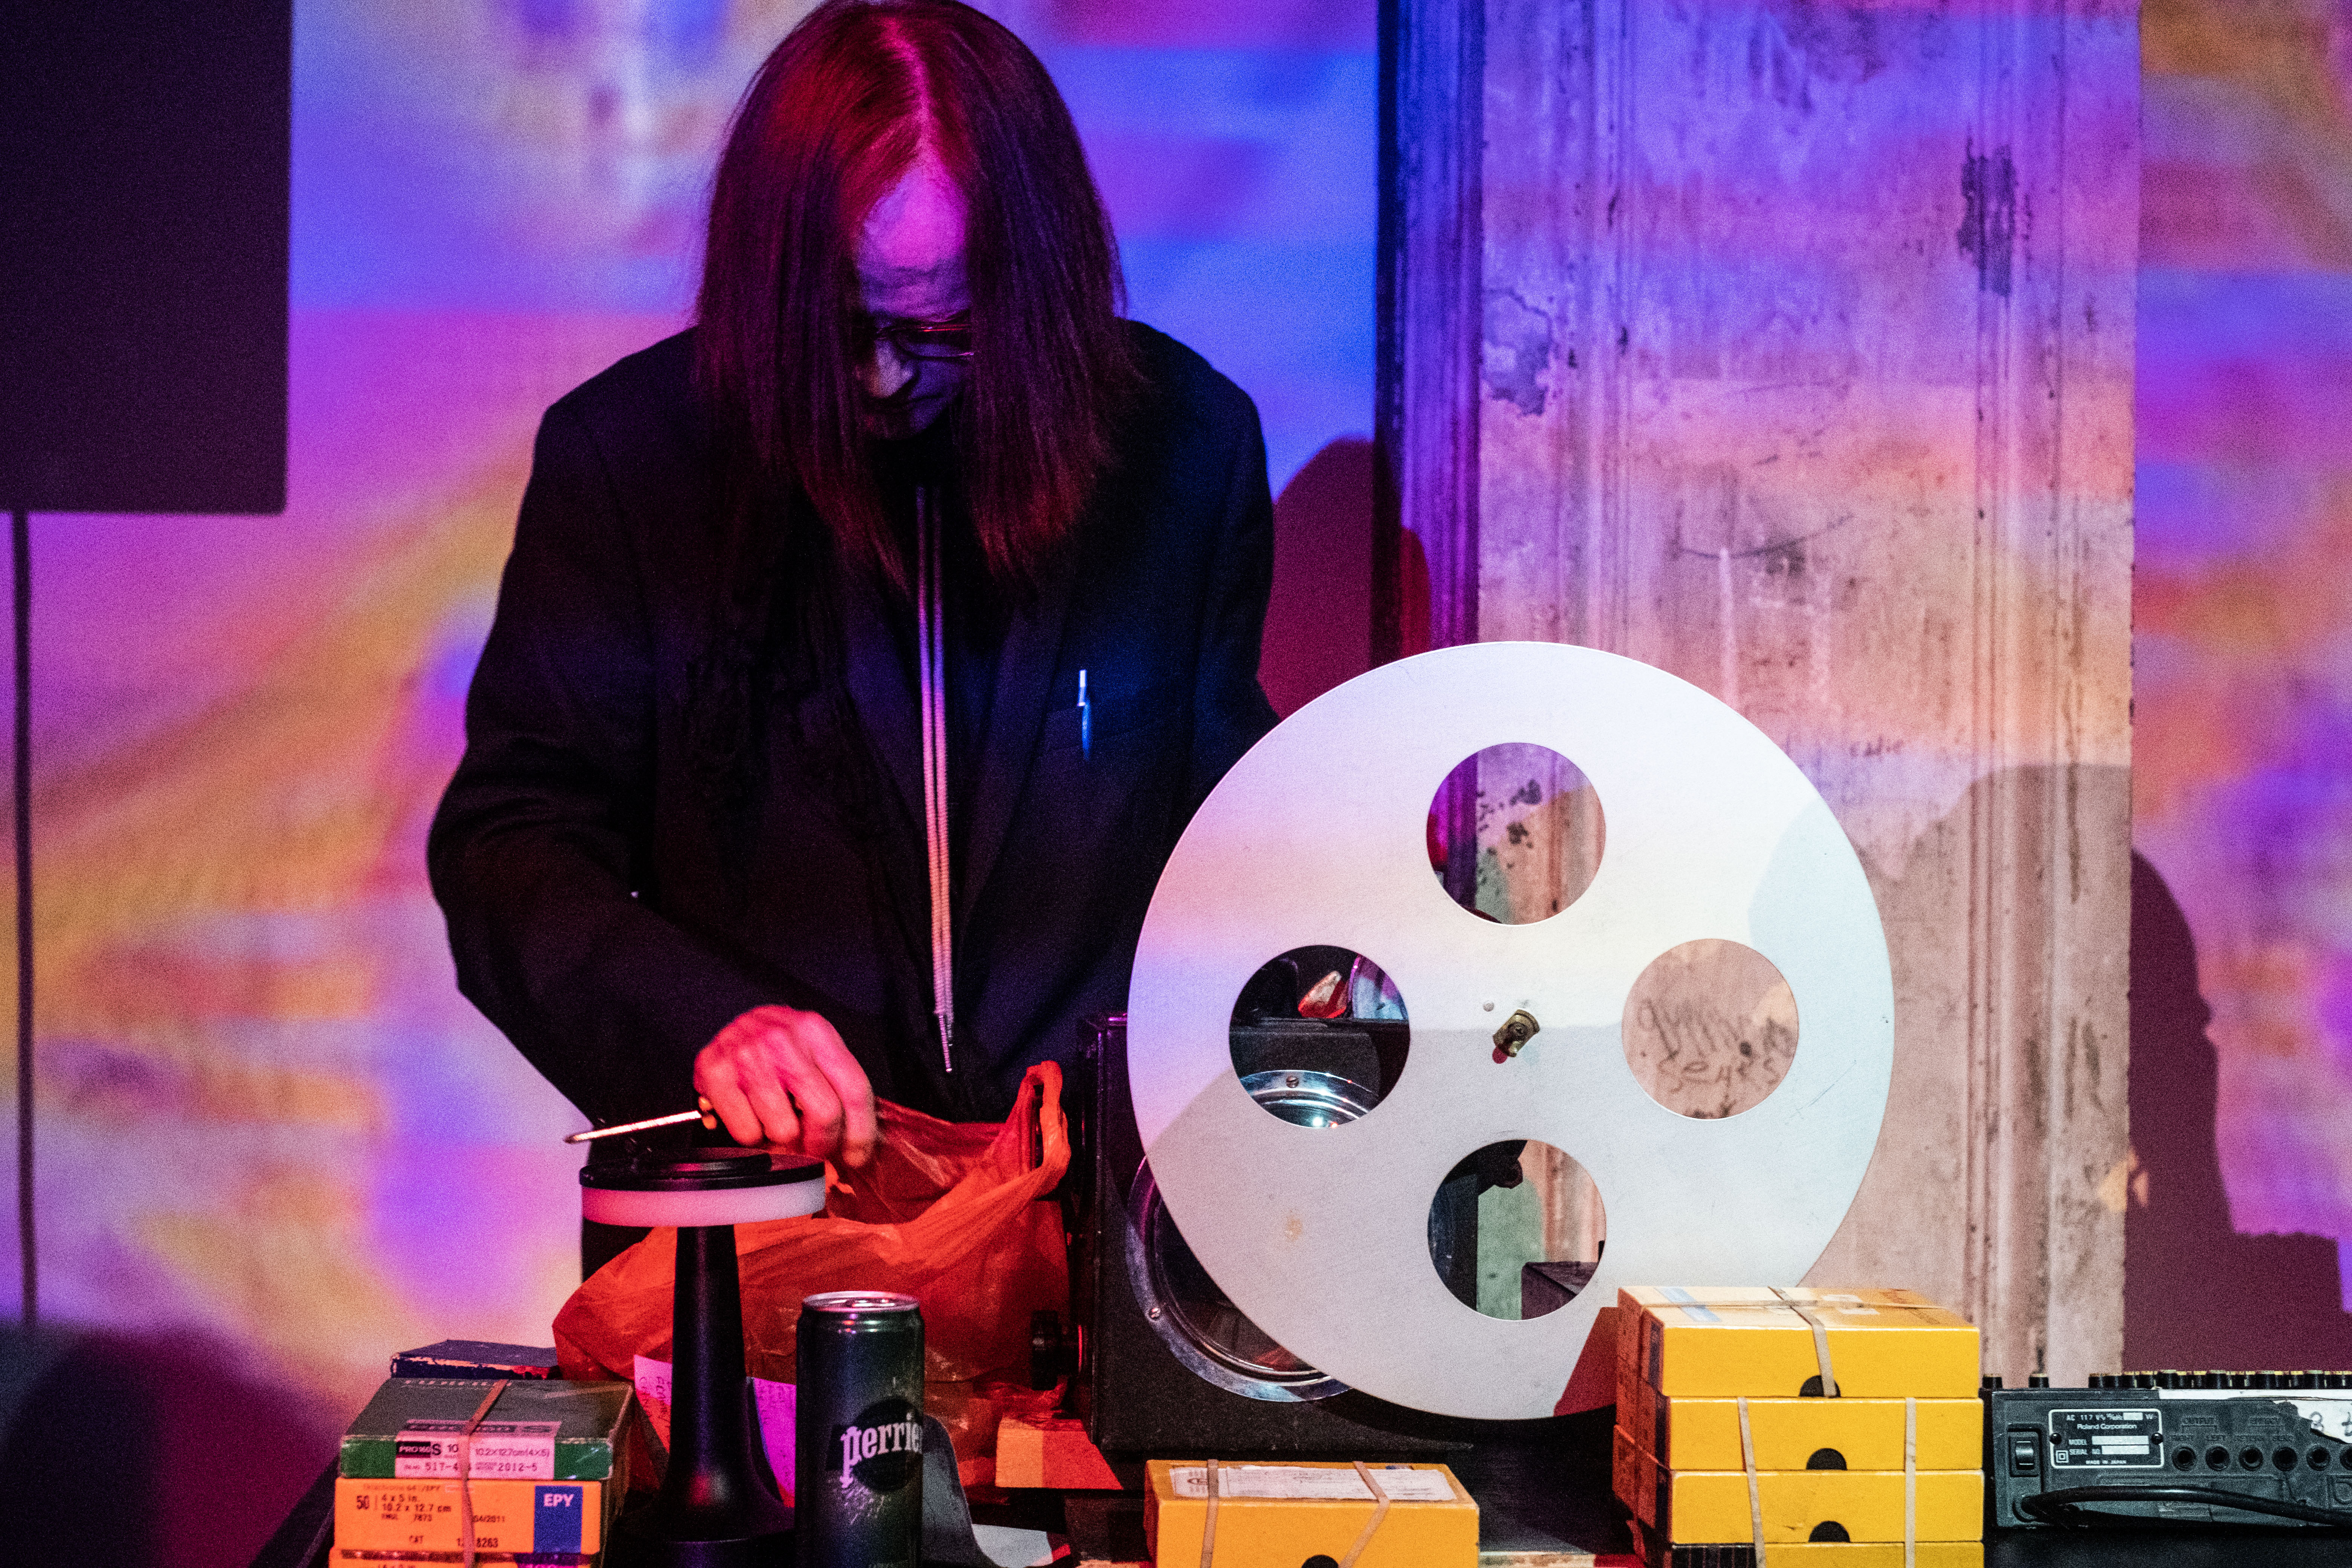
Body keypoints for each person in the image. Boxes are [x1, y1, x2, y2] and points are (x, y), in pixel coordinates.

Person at [427, 0, 1278, 1173]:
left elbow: (1231, 830)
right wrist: (706, 1023)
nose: (883, 380)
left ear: (1035, 288)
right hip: (753, 1212)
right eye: (841, 327)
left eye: (945, 330)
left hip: (1088, 1221)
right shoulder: (631, 461)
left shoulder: (1185, 450)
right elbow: (510, 851)